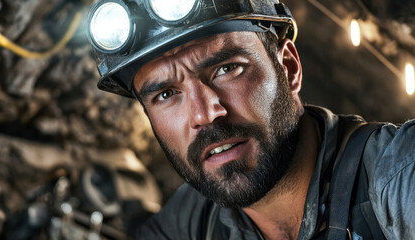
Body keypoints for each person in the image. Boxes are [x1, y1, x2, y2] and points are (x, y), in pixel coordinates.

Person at [87, 0, 415, 239]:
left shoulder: (395, 177)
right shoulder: (199, 218)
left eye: (227, 69)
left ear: (288, 68)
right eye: (166, 95)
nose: (204, 114)